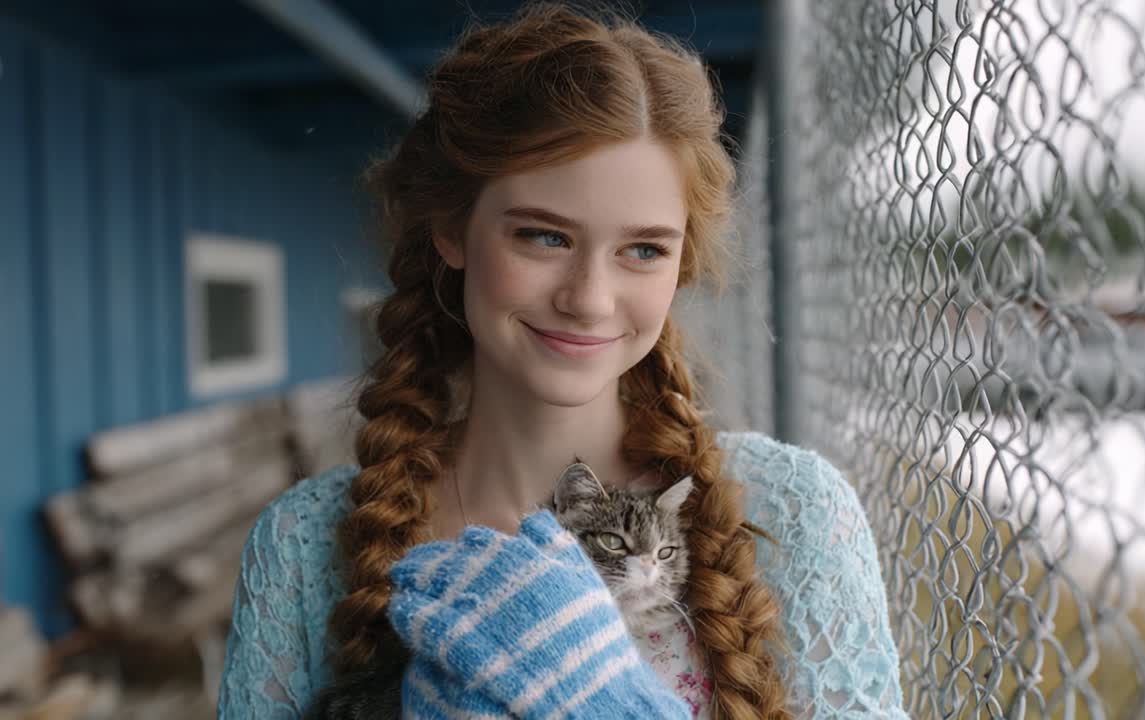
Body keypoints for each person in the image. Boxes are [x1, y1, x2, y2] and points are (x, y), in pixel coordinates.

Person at [216, 3, 907, 718]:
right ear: (452, 230)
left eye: (644, 249)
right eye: (544, 237)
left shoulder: (789, 512)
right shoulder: (302, 546)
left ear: (682, 264)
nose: (590, 298)